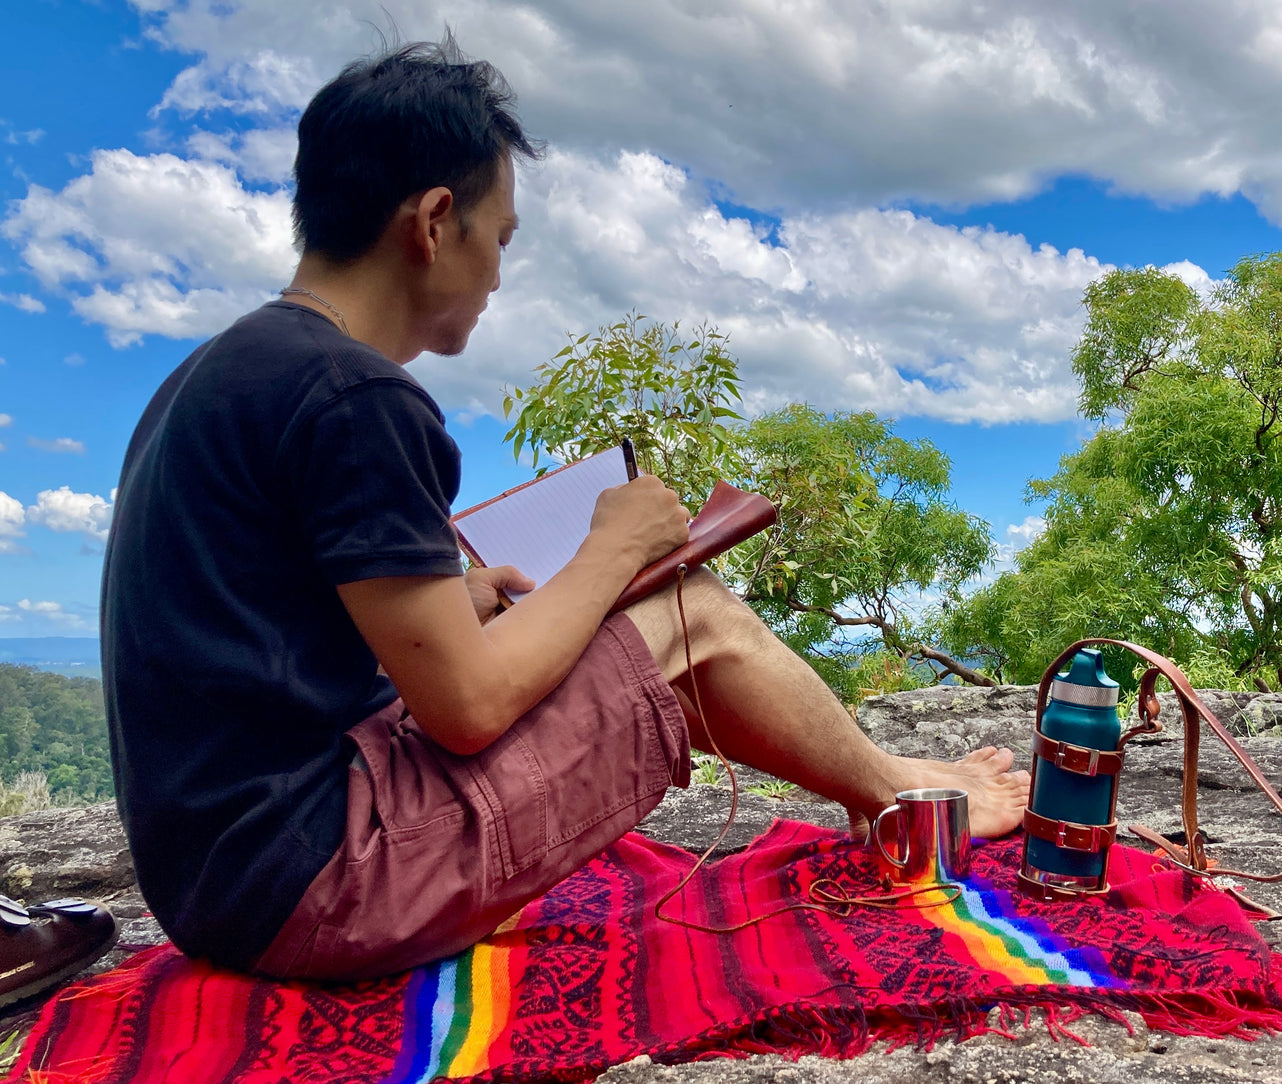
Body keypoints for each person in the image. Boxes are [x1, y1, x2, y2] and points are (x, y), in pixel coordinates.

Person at [101, 37, 1029, 982]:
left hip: (219, 883)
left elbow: (260, 627)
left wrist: (453, 604)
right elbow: (465, 709)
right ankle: (900, 795)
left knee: (596, 619)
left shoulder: (226, 371)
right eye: (498, 239)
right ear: (432, 221)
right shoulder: (354, 397)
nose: (499, 274)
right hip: (323, 882)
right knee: (688, 608)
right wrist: (611, 549)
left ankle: (877, 784)